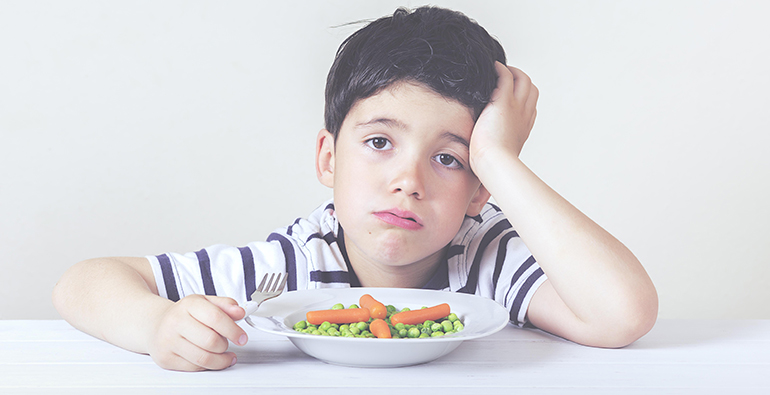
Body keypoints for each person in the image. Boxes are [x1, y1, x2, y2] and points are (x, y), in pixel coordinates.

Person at [52, 6, 658, 372]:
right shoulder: (289, 270)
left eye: (449, 159)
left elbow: (623, 315)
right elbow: (83, 282)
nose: (408, 182)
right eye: (378, 143)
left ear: (480, 191)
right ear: (327, 158)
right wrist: (158, 326)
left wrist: (499, 158)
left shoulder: (486, 259)